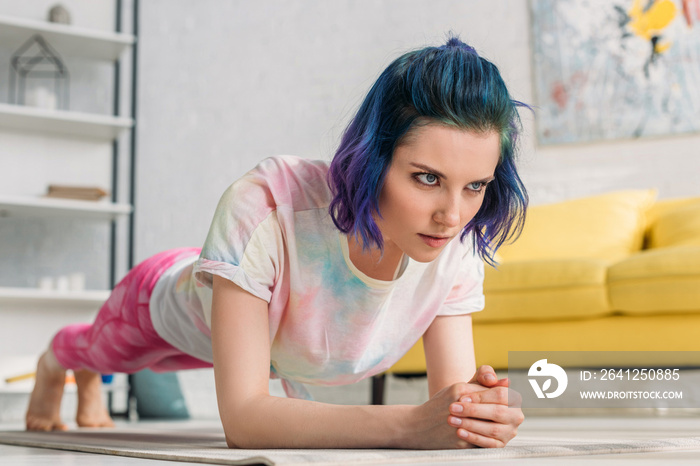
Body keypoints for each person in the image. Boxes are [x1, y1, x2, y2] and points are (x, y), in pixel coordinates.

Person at [26, 35, 529, 449]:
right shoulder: (264, 206)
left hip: (269, 346)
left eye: (475, 186)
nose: (452, 215)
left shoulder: (456, 245)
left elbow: (449, 410)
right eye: (426, 178)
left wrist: (474, 417)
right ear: (373, 157)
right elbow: (244, 420)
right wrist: (405, 425)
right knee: (103, 351)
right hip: (168, 299)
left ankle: (90, 375)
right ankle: (59, 364)